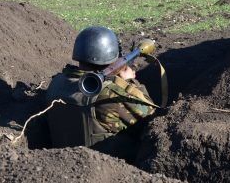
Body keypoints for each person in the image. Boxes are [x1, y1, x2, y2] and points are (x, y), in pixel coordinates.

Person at [46, 26, 157, 161]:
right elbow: (152, 119)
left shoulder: (56, 83)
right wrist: (130, 82)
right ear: (110, 55)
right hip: (104, 167)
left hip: (59, 160)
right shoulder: (110, 94)